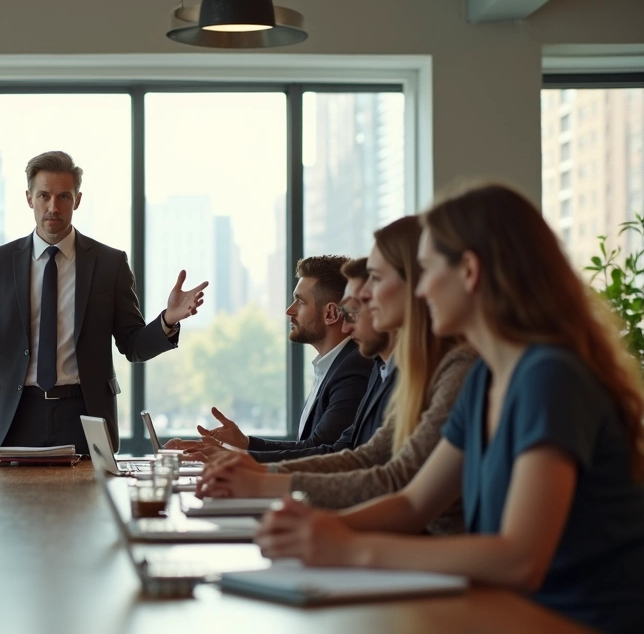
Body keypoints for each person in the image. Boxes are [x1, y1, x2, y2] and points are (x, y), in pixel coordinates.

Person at [252, 184, 644, 633]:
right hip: (509, 611)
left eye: (427, 270)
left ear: (470, 271)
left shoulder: (550, 376)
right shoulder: (484, 378)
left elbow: (520, 559)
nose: (421, 290)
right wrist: (320, 530)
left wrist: (352, 547)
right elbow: (413, 501)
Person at [0, 151, 207, 454]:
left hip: (85, 415)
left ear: (77, 200)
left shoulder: (110, 264)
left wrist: (168, 320)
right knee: (11, 497)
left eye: (63, 196)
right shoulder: (0, 262)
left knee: (88, 497)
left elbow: (132, 345)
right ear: (29, 198)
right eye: (44, 195)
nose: (53, 206)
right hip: (15, 416)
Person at [197, 216, 476, 535]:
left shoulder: (455, 369)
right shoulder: (417, 369)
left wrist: (266, 480)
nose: (363, 297)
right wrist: (263, 472)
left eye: (375, 279)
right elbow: (365, 457)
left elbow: (395, 481)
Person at [183, 257, 395, 463]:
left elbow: (325, 452)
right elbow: (321, 449)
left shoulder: (356, 366)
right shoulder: (338, 365)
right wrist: (245, 444)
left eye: (300, 301)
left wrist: (241, 457)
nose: (289, 310)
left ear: (330, 313)